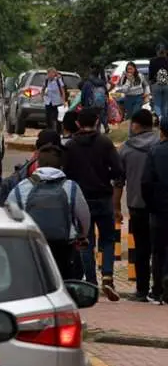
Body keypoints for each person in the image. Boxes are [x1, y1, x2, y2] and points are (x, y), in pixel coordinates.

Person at [63, 107, 124, 300]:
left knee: (86, 242)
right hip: (103, 198)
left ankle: (91, 282)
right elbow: (118, 171)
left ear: (78, 124)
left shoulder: (71, 146)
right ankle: (107, 276)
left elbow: (66, 173)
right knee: (107, 239)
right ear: (97, 121)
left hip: (81, 200)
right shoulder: (105, 143)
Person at [8, 145, 89, 279]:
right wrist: (82, 235)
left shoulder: (21, 187)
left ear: (37, 165)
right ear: (61, 166)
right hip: (63, 247)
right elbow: (84, 216)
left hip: (32, 245)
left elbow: (9, 214)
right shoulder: (71, 187)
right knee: (67, 281)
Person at [113, 109, 159, 302]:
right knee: (160, 249)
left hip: (136, 205)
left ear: (136, 125)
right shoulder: (160, 145)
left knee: (140, 249)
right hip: (160, 207)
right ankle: (159, 289)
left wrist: (116, 207)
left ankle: (141, 290)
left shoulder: (126, 149)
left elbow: (118, 182)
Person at [140, 117, 168, 304]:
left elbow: (146, 183)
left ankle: (157, 289)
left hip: (159, 210)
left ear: (162, 131)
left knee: (158, 251)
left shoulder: (155, 152)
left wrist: (151, 205)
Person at [81, 66, 110, 133]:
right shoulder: (102, 83)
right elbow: (106, 93)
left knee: (93, 120)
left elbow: (83, 95)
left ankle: (95, 132)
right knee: (99, 118)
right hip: (101, 105)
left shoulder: (87, 83)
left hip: (90, 105)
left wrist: (83, 105)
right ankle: (100, 130)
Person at [42, 67, 66, 133]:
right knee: (48, 118)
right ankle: (49, 131)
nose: (49, 75)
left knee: (57, 118)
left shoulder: (58, 81)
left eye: (51, 73)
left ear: (54, 74)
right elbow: (43, 89)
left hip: (57, 102)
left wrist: (63, 101)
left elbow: (62, 91)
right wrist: (42, 97)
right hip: (48, 102)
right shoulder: (46, 80)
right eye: (48, 73)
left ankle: (58, 132)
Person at [148, 44, 168, 121]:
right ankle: (165, 120)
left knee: (157, 103)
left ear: (157, 52)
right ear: (165, 51)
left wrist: (150, 87)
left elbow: (150, 75)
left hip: (156, 84)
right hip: (167, 85)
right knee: (166, 103)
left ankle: (159, 118)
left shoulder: (153, 61)